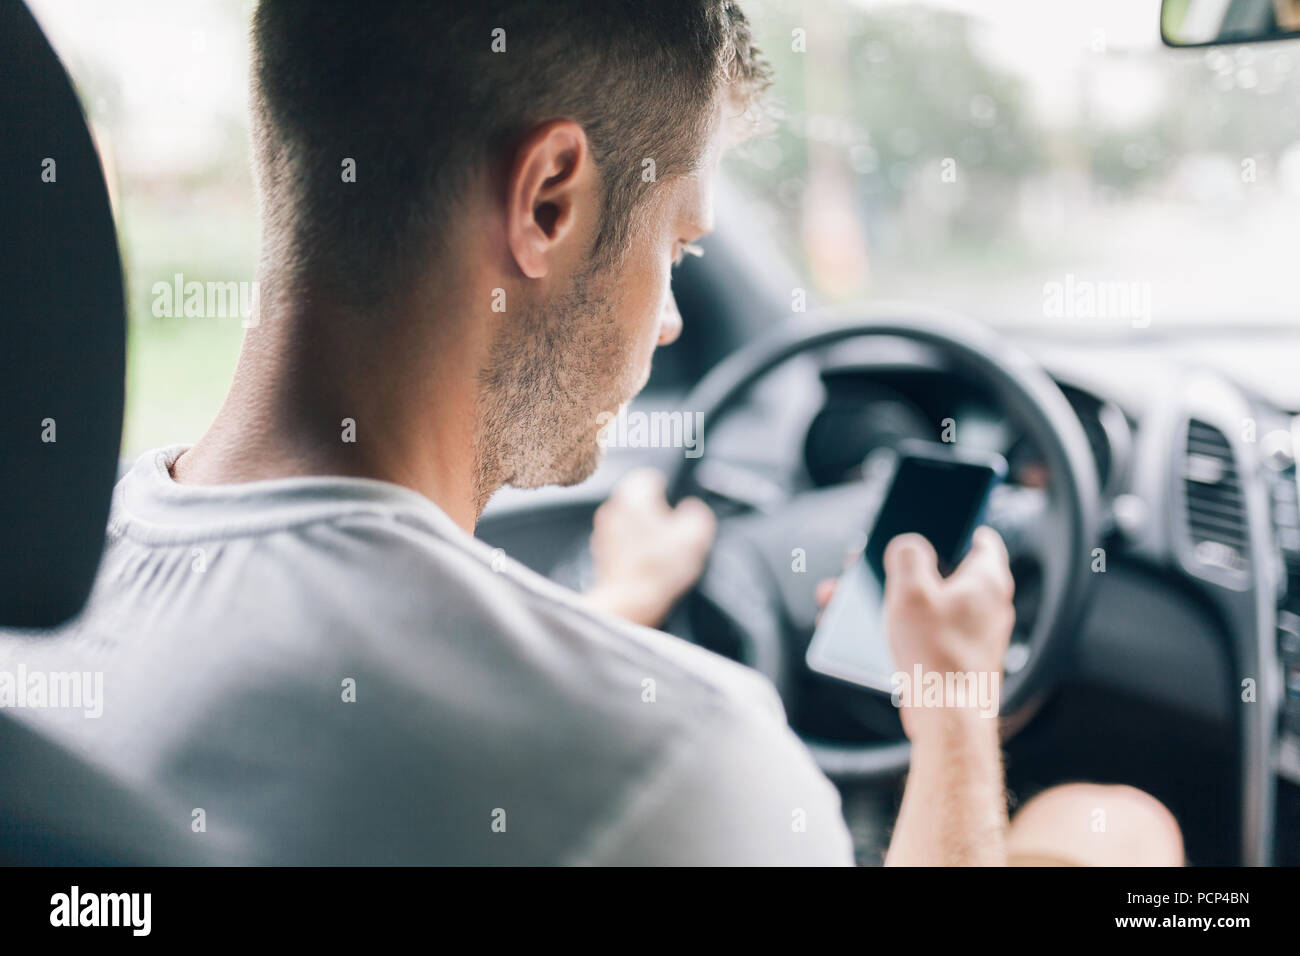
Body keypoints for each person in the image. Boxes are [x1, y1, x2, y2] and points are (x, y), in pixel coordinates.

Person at [0, 0, 1182, 865]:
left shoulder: (42, 606)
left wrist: (614, 607)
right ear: (549, 200)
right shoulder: (680, 764)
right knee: (1112, 833)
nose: (669, 317)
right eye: (676, 247)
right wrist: (955, 705)